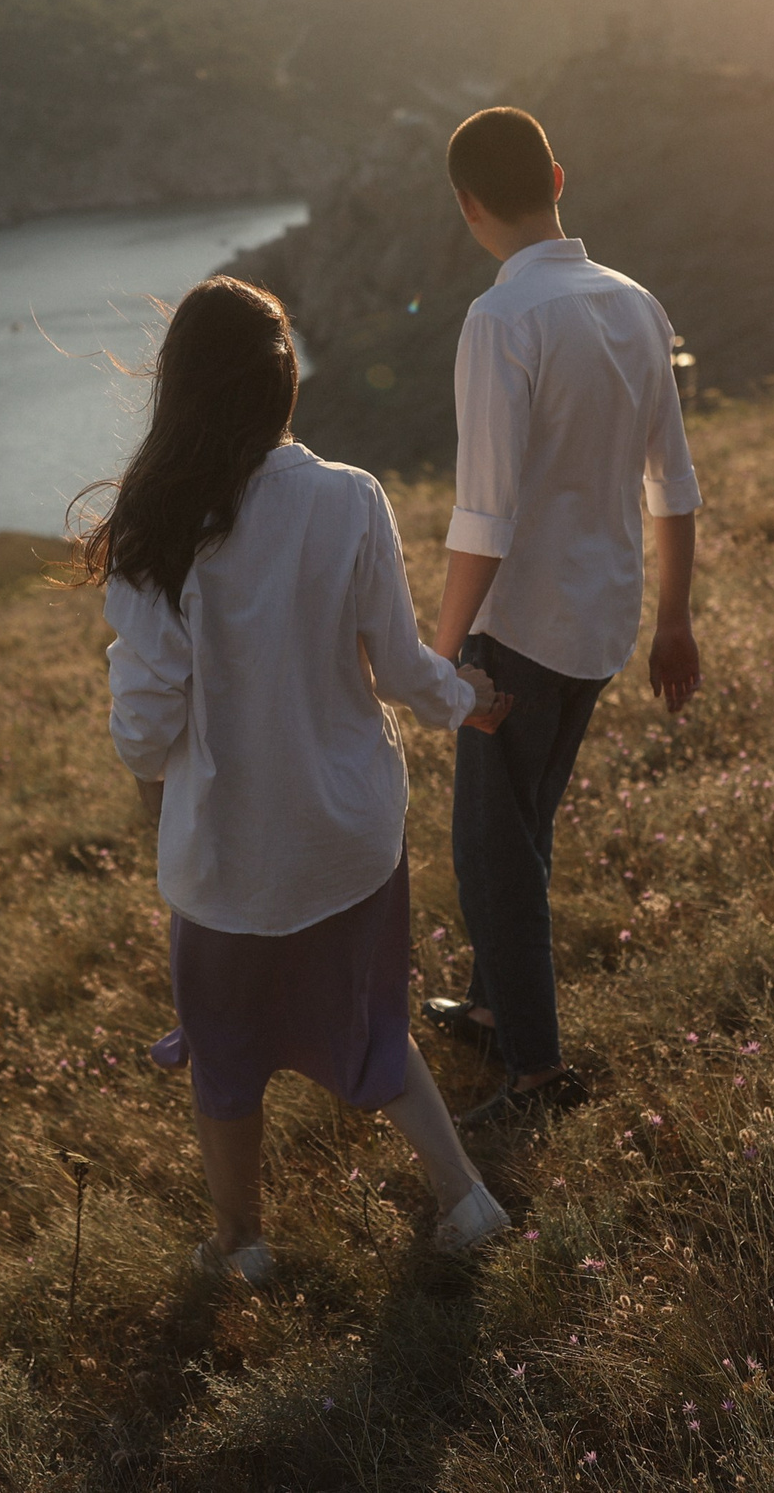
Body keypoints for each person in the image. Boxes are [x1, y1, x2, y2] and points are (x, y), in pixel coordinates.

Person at [78, 276, 514, 1281]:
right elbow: (401, 668)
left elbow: (143, 736)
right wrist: (467, 697)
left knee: (226, 1059)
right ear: (282, 388)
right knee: (370, 1023)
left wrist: (141, 715)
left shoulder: (154, 533)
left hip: (229, 862)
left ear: (177, 391)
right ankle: (469, 1198)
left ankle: (242, 1245)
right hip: (347, 836)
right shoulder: (347, 498)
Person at [421, 106, 705, 1127]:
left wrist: (439, 653)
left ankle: (535, 1074)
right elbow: (672, 482)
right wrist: (674, 621)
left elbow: (483, 516)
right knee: (523, 826)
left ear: (468, 207)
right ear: (556, 175)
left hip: (517, 630)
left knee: (493, 855)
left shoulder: (500, 322)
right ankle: (497, 1009)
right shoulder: (633, 302)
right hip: (604, 622)